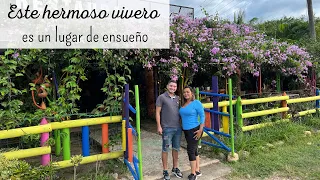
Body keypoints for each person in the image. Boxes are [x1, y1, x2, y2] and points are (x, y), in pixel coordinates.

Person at [156, 80, 183, 180]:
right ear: (167, 86)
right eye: (171, 86)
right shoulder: (162, 97)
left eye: (175, 86)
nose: (173, 88)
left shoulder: (178, 98)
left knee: (176, 148)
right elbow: (158, 112)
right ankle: (165, 170)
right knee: (165, 149)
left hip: (177, 128)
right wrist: (159, 126)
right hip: (167, 129)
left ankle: (175, 168)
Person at [179, 86, 205, 180]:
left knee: (190, 150)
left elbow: (202, 116)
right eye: (184, 92)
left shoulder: (196, 103)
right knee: (194, 150)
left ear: (192, 93)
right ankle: (197, 170)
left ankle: (193, 174)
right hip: (186, 130)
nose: (186, 94)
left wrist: (201, 130)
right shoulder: (183, 104)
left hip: (195, 130)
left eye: (188, 92)